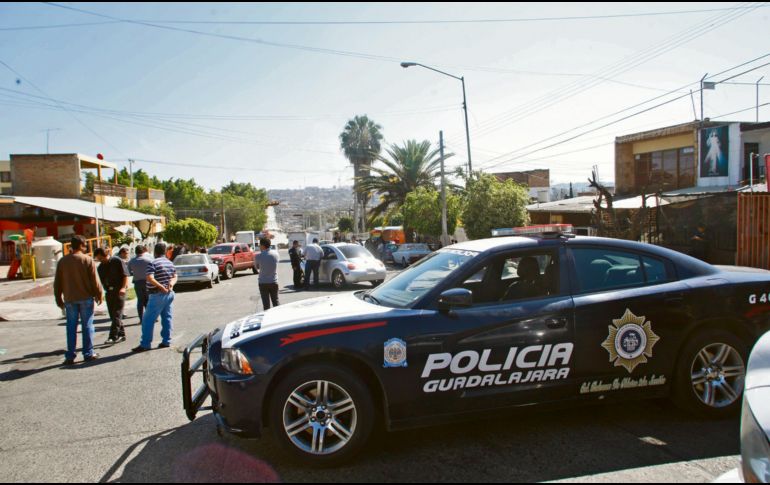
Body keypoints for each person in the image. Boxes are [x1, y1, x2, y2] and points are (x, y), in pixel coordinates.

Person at [54, 236, 103, 365]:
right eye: (85, 244)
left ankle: (70, 355)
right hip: (85, 297)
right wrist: (99, 294)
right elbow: (94, 280)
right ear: (81, 245)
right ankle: (88, 353)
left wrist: (58, 299)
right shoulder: (87, 259)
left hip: (70, 298)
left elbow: (57, 282)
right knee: (87, 325)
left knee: (71, 327)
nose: (86, 247)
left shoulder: (63, 261)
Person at [133, 242, 178, 352]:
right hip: (169, 293)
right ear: (165, 251)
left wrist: (160, 286)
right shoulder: (169, 262)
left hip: (157, 294)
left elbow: (149, 277)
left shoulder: (153, 263)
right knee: (167, 317)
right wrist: (171, 284)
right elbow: (175, 276)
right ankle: (167, 340)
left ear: (155, 251)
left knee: (147, 320)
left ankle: (145, 344)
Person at [94, 246, 130, 344]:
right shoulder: (100, 267)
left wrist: (123, 287)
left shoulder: (117, 261)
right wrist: (98, 294)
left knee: (117, 314)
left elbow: (125, 275)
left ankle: (113, 336)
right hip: (109, 292)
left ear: (106, 254)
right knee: (112, 315)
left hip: (119, 291)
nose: (100, 260)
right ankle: (121, 334)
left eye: (101, 258)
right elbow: (100, 283)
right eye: (98, 259)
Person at [254, 237, 280, 310]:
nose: (259, 246)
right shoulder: (276, 254)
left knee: (266, 305)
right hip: (273, 281)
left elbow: (257, 268)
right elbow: (276, 262)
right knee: (276, 302)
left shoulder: (258, 256)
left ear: (263, 245)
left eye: (260, 245)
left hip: (263, 282)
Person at [128, 245, 152, 322]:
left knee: (140, 300)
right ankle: (150, 317)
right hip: (147, 282)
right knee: (148, 300)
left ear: (135, 252)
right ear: (143, 251)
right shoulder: (148, 260)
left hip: (137, 282)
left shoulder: (131, 261)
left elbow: (129, 272)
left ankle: (141, 319)